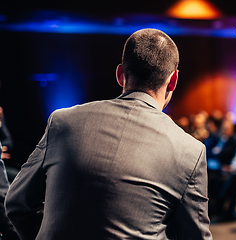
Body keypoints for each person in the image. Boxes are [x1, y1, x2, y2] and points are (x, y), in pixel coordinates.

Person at [5, 29, 212, 240]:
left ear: (120, 74)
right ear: (174, 80)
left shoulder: (62, 121)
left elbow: (17, 204)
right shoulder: (190, 151)